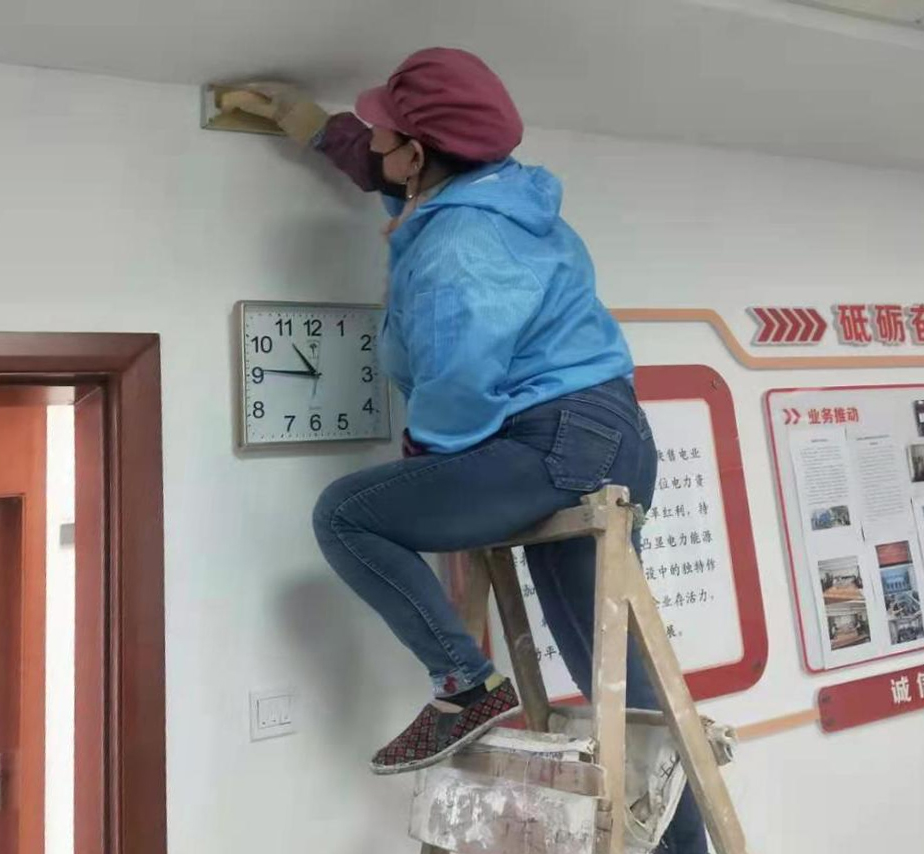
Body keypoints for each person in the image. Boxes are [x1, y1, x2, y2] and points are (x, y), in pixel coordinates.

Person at [225, 47, 707, 852]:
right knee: (610, 676)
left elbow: (456, 379)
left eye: (388, 135)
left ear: (419, 154)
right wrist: (305, 123)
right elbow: (392, 173)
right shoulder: (496, 191)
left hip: (554, 443)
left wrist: (432, 464)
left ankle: (465, 686)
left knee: (347, 514)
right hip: (606, 434)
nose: (378, 145)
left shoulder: (458, 245)